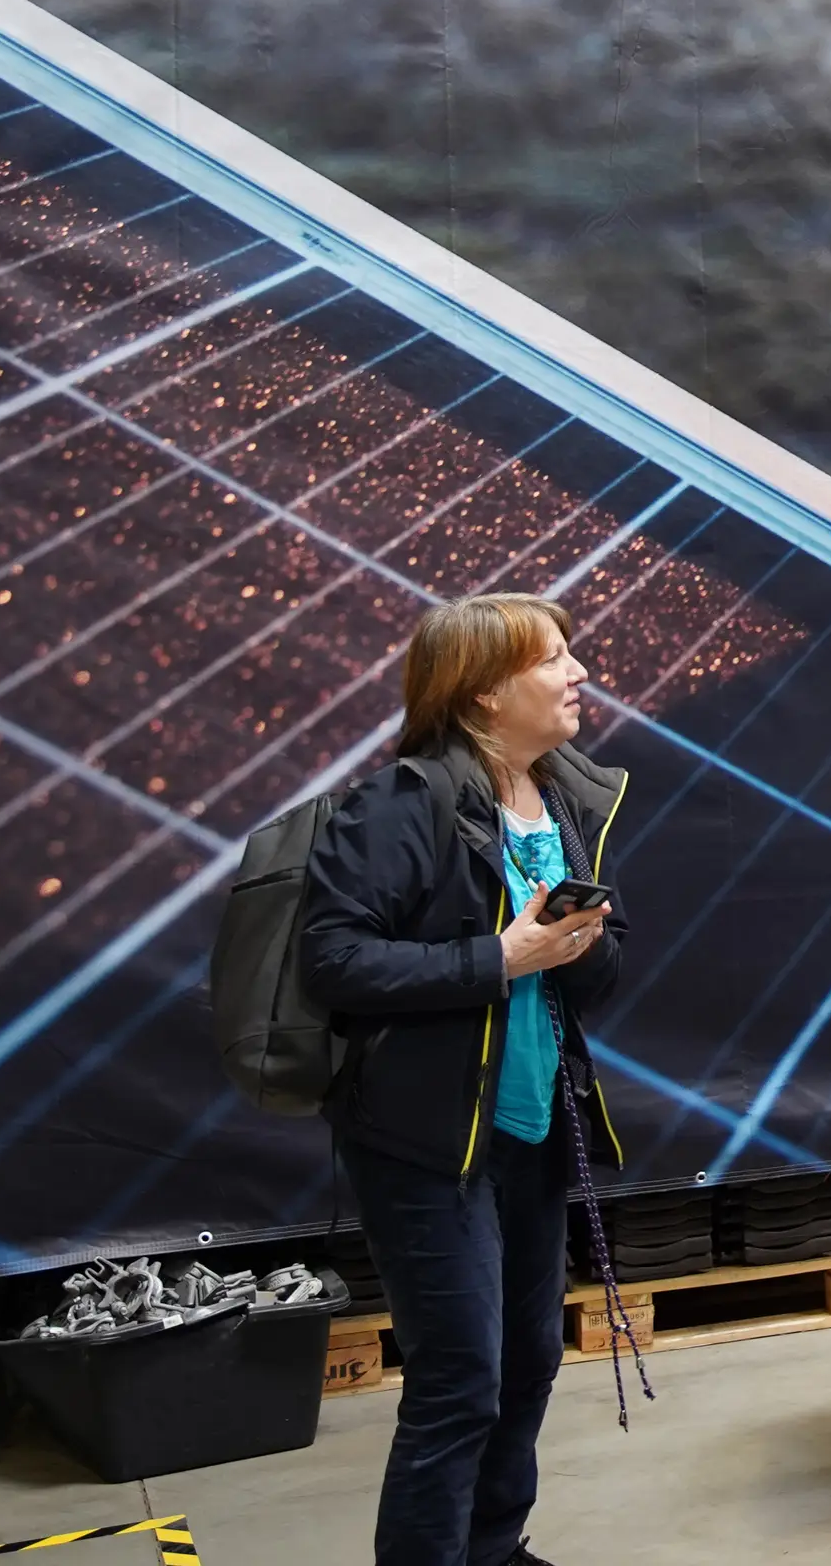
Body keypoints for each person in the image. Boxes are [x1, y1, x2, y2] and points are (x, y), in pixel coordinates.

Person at [299, 593, 626, 1566]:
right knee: (459, 1381)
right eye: (554, 657)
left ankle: (491, 1546)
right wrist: (502, 958)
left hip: (532, 1128)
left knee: (526, 1360)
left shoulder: (563, 797)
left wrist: (574, 946)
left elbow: (599, 979)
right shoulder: (401, 803)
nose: (577, 672)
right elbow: (334, 959)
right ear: (484, 692)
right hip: (426, 1140)